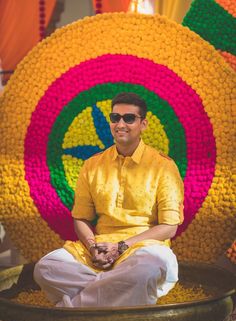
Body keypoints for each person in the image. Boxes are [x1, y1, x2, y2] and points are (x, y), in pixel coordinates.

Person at [34, 92, 184, 308]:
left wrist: (121, 247)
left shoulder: (164, 166)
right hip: (100, 250)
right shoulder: (92, 165)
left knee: (145, 271)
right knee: (47, 268)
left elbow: (169, 227)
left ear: (143, 124)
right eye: (115, 118)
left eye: (129, 118)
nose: (120, 124)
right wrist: (93, 245)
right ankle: (118, 295)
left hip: (144, 249)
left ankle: (70, 311)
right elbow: (81, 218)